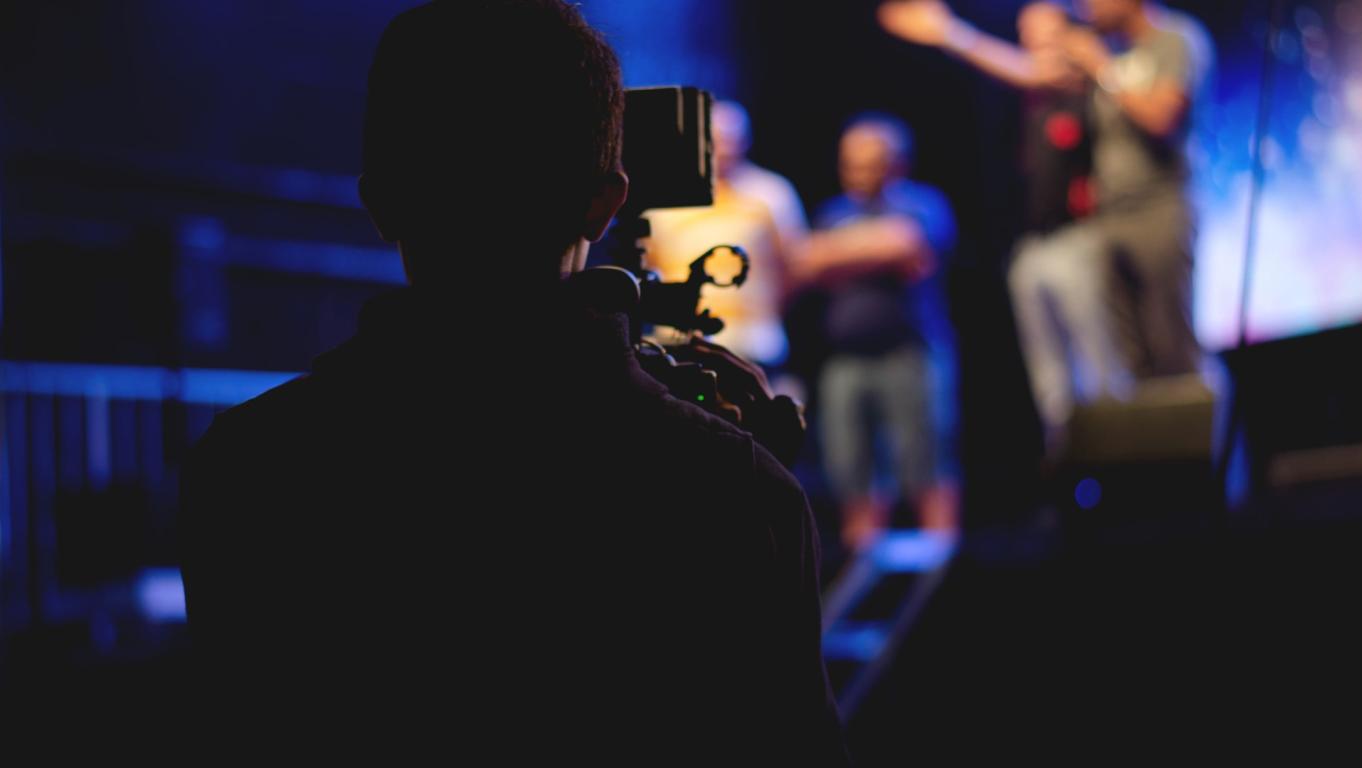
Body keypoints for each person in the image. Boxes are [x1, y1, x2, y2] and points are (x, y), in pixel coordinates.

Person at [177, 2, 848, 761]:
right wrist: (757, 498)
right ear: (606, 204)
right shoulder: (733, 489)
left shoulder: (246, 464)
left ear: (380, 203)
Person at [880, 0, 1131, 441]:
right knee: (1051, 381)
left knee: (1100, 369)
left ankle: (1123, 456)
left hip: (1079, 241)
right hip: (1030, 248)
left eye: (1044, 32)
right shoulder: (1022, 98)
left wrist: (950, 32)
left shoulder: (1085, 77)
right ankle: (1072, 466)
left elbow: (1033, 71)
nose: (1033, 42)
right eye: (1025, 33)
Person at [792, 115, 959, 548]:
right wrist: (867, 250)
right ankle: (863, 566)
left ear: (897, 164)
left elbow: (906, 245)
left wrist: (838, 254)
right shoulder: (833, 212)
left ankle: (941, 563)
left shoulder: (924, 204)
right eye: (851, 163)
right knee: (851, 471)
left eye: (870, 164)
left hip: (910, 352)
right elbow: (806, 261)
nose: (858, 173)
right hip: (846, 359)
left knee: (924, 463)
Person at [1063, 0, 1213, 379]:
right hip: (1111, 216)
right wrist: (955, 37)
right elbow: (1030, 73)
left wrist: (1102, 68)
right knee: (1133, 359)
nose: (1086, 7)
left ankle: (1201, 419)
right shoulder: (1112, 51)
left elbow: (1161, 118)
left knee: (1173, 346)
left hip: (1159, 207)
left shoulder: (1174, 39)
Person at [644, 100, 808, 370]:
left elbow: (792, 265)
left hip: (754, 342)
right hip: (681, 344)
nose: (723, 149)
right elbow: (651, 264)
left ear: (745, 141)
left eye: (731, 140)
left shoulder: (772, 193)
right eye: (715, 140)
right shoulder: (666, 197)